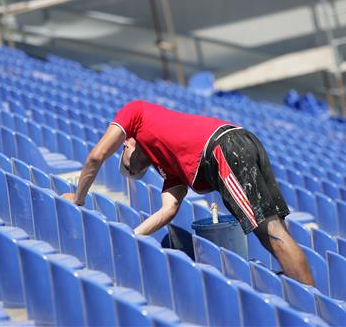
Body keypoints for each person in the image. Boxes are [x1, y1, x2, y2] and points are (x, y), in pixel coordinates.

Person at [62, 100, 314, 286]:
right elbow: (168, 210)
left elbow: (96, 157)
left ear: (127, 143)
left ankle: (310, 308)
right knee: (275, 230)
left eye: (128, 165)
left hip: (223, 149)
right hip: (240, 140)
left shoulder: (135, 113)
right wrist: (132, 235)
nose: (136, 169)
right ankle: (306, 298)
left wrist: (78, 198)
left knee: (272, 234)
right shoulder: (169, 167)